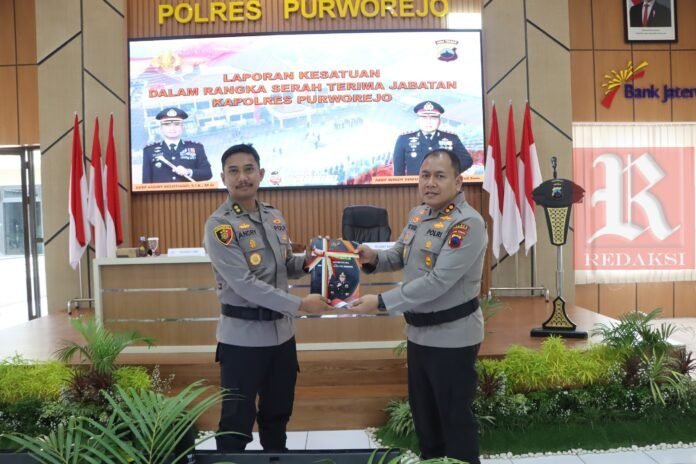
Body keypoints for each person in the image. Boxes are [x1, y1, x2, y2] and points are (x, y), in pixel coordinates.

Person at [350, 149, 487, 464]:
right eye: (425, 175)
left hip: (453, 337)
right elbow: (399, 254)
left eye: (439, 176)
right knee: (426, 423)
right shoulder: (418, 214)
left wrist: (381, 302)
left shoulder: (467, 223)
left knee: (455, 425)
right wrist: (373, 257)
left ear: (458, 182)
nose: (430, 183)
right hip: (419, 334)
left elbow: (438, 281)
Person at [203, 143, 333, 452]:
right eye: (234, 171)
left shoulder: (274, 216)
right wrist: (300, 305)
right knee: (236, 422)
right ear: (223, 178)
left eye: (249, 169)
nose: (242, 177)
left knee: (278, 415)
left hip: (281, 337)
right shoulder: (220, 226)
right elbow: (245, 284)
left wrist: (311, 260)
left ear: (260, 174)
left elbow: (284, 267)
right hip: (242, 341)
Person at [392, 101, 473, 176]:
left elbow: (467, 160)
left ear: (439, 121)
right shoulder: (403, 139)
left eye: (433, 118)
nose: (428, 122)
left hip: (443, 185)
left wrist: (450, 173)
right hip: (415, 185)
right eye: (424, 118)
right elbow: (398, 171)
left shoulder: (452, 139)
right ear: (418, 121)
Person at [141, 107, 213, 183]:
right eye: (167, 125)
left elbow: (207, 173)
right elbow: (146, 182)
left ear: (182, 127)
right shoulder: (149, 151)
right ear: (161, 128)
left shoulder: (197, 148)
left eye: (177, 124)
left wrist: (188, 171)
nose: (172, 128)